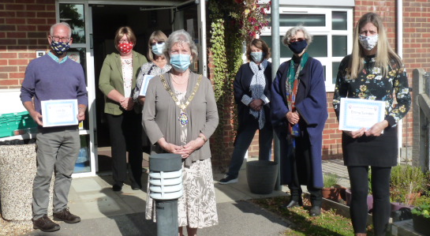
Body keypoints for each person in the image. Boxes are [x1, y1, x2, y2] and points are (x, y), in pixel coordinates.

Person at [333, 12, 411, 236]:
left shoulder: (393, 63)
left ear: (380, 34)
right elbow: (338, 99)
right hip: (354, 136)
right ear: (357, 35)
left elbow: (404, 101)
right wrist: (345, 125)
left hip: (382, 136)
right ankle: (359, 233)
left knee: (381, 192)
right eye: (363, 32)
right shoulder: (348, 63)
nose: (367, 36)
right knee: (358, 191)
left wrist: (385, 123)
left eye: (371, 32)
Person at [143, 29, 219, 236]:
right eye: (174, 51)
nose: (179, 55)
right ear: (167, 55)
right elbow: (147, 118)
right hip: (166, 157)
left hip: (197, 157)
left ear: (192, 55)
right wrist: (164, 144)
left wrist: (199, 141)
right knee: (172, 206)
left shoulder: (204, 84)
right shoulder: (156, 83)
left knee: (194, 207)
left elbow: (213, 117)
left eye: (183, 50)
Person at [20, 22, 87, 232]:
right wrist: (33, 112)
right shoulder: (36, 65)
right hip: (47, 131)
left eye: (64, 38)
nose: (60, 42)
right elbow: (25, 93)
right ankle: (39, 215)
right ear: (49, 40)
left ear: (70, 41)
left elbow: (82, 94)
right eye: (56, 38)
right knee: (44, 174)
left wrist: (82, 108)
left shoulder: (76, 67)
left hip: (71, 130)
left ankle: (60, 209)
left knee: (66, 173)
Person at [271, 26, 328, 216]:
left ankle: (316, 201)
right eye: (292, 40)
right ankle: (295, 195)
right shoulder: (283, 68)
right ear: (288, 43)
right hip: (288, 123)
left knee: (310, 160)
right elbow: (276, 94)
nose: (296, 42)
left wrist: (299, 112)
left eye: (300, 38)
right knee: (292, 160)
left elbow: (318, 95)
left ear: (307, 40)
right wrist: (286, 114)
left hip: (307, 124)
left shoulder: (314, 66)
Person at [98, 26, 148, 191]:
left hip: (135, 109)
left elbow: (147, 82)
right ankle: (118, 180)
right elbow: (103, 83)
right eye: (120, 41)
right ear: (117, 43)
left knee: (135, 145)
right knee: (118, 145)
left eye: (127, 40)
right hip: (115, 109)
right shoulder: (110, 59)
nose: (124, 43)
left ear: (133, 42)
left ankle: (136, 179)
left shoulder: (142, 59)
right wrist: (121, 99)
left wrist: (133, 100)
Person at [219, 38, 273, 184]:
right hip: (248, 113)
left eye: (259, 50)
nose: (256, 53)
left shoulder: (271, 69)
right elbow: (237, 88)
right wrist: (250, 102)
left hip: (266, 113)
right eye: (253, 51)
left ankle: (264, 176)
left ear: (265, 51)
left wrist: (261, 100)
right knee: (241, 144)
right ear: (250, 53)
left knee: (266, 145)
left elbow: (273, 88)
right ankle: (232, 174)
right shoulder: (244, 69)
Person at [133, 30, 171, 152]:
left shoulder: (173, 66)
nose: (156, 46)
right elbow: (138, 93)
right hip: (154, 117)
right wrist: (147, 102)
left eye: (160, 42)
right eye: (153, 44)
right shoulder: (146, 68)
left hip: (173, 115)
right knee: (157, 150)